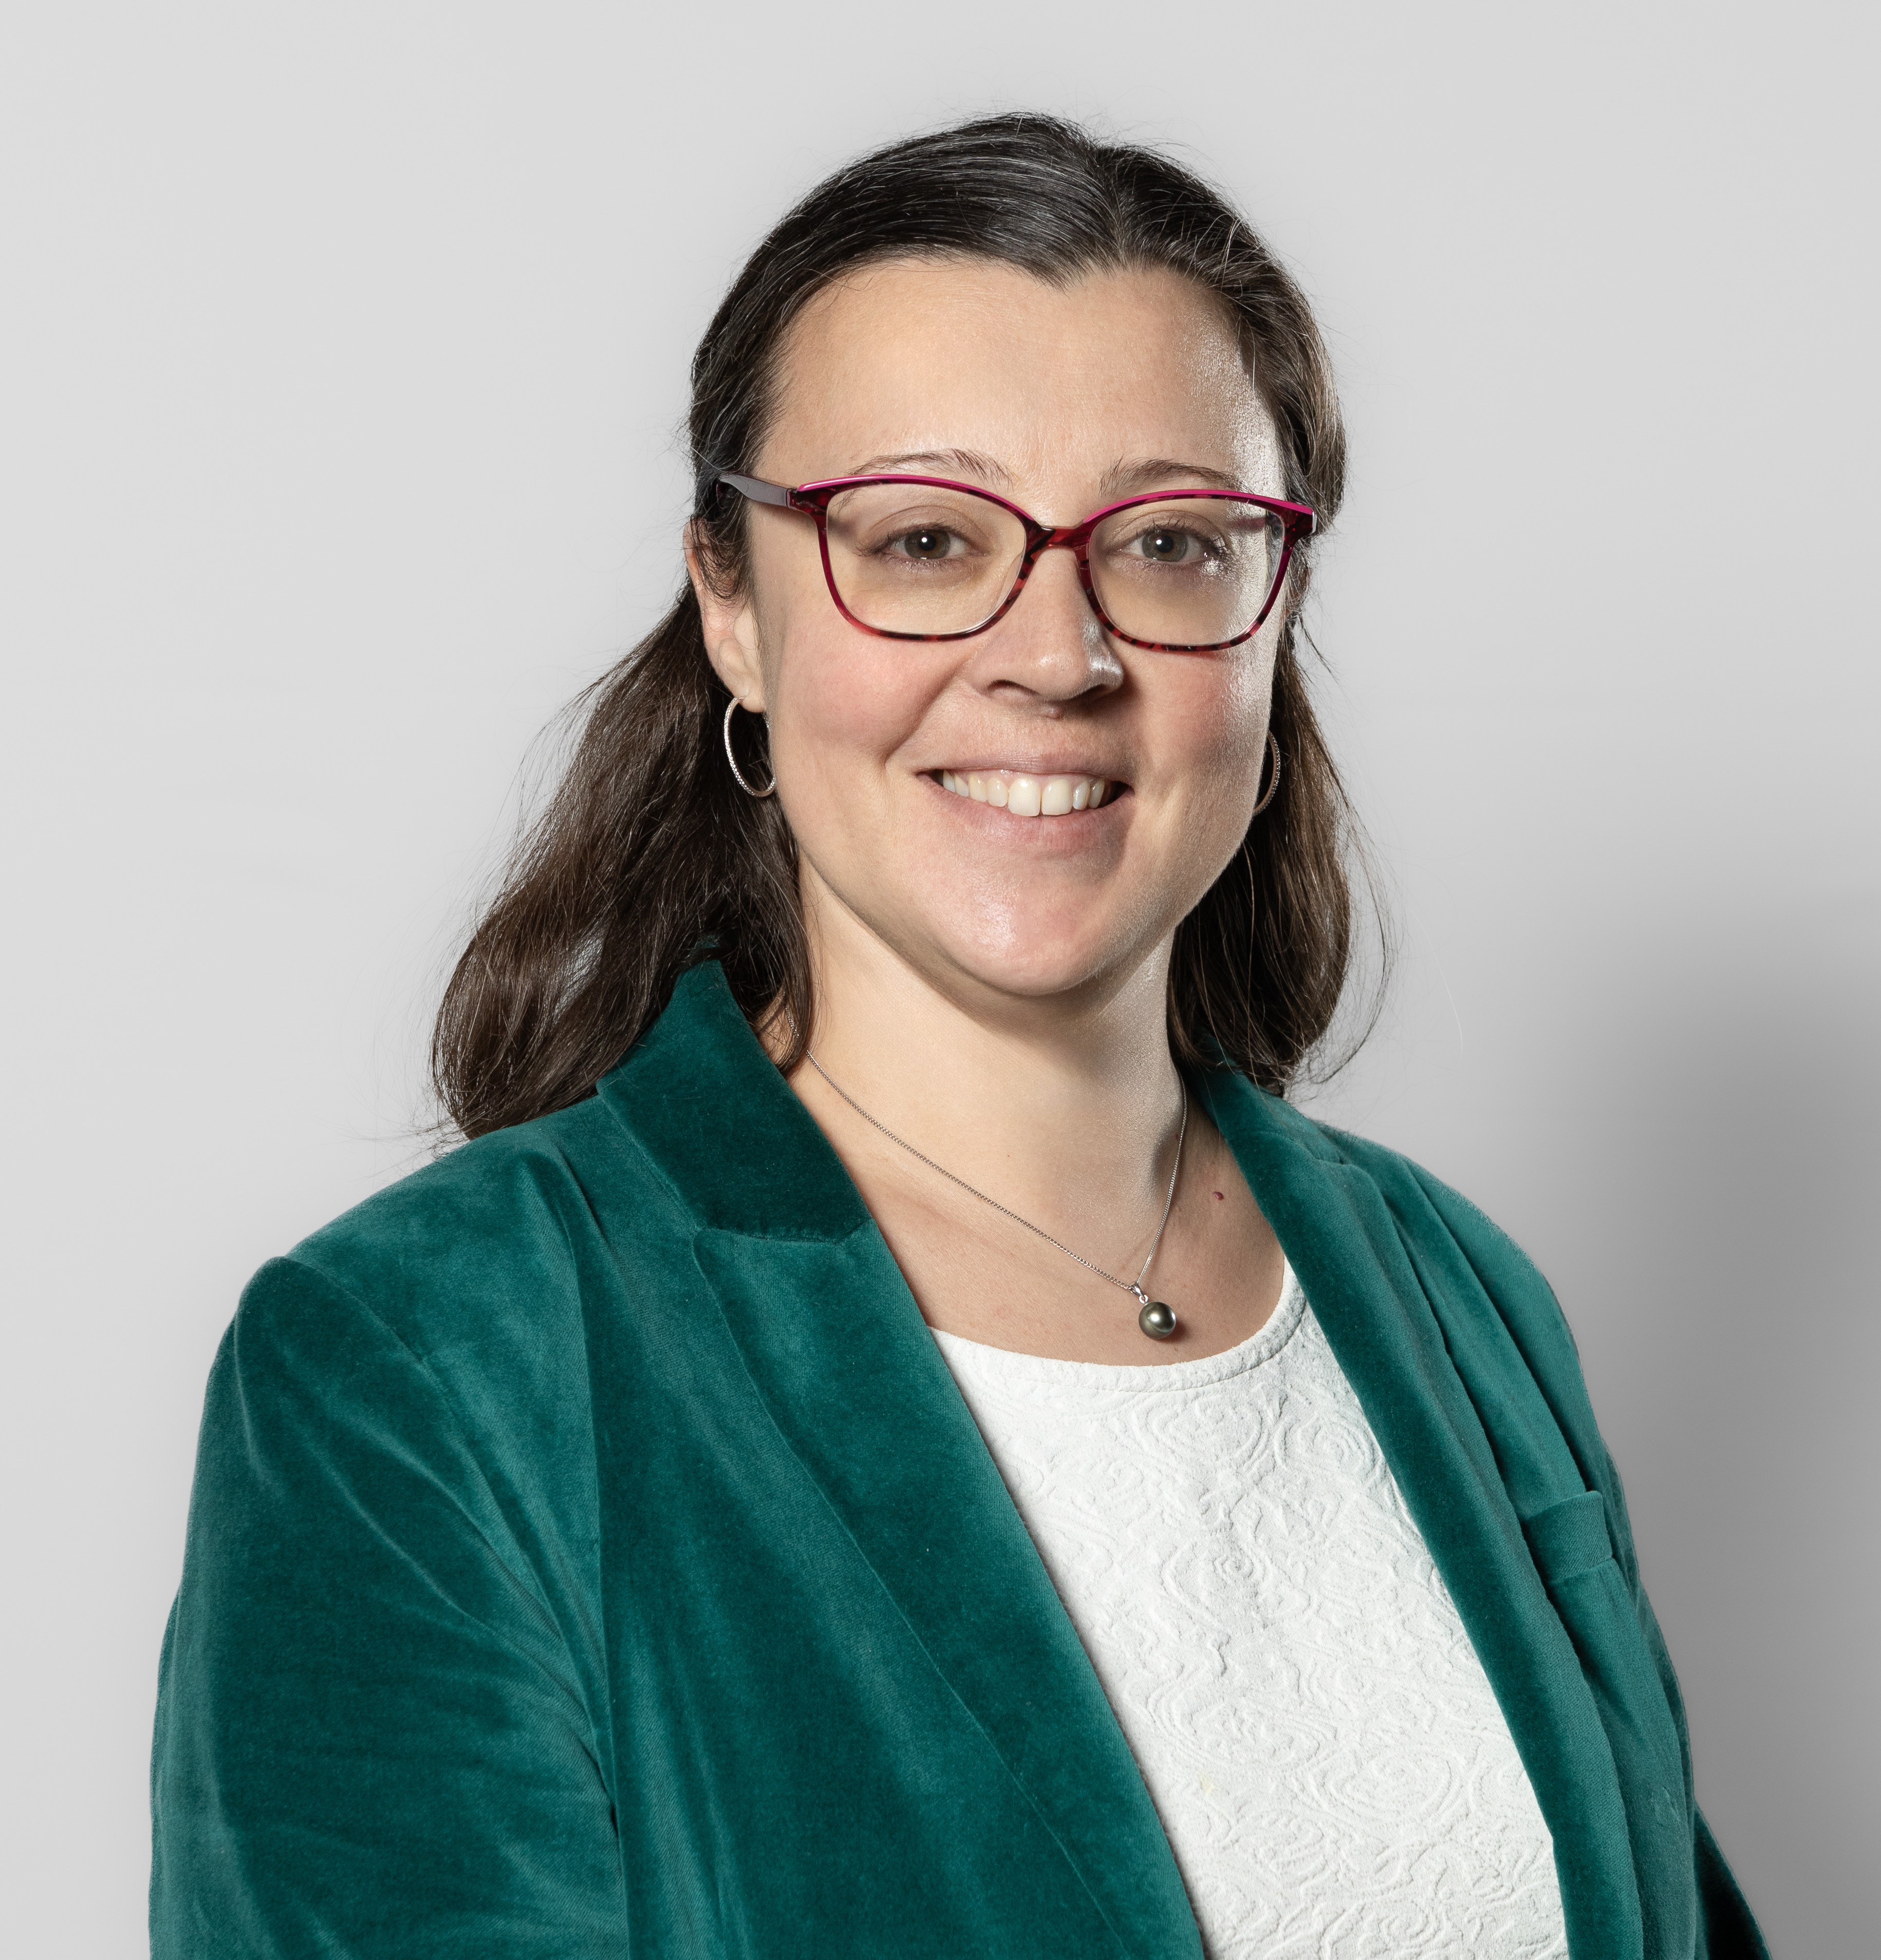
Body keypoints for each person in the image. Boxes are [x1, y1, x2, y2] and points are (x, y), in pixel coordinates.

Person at [150, 114, 1767, 1959]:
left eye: (1171, 542)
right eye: (923, 540)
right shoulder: (420, 1366)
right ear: (730, 604)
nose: (1057, 654)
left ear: (1278, 613)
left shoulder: (1459, 1297)